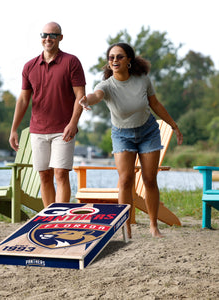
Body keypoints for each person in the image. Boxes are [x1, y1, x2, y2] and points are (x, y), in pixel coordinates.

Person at [79, 43, 183, 238]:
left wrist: (173, 125)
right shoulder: (106, 85)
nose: (115, 60)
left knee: (149, 179)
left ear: (128, 60)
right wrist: (86, 100)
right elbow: (96, 96)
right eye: (111, 58)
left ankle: (153, 226)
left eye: (119, 57)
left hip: (148, 132)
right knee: (125, 179)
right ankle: (125, 227)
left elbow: (155, 104)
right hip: (122, 135)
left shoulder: (142, 80)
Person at [9, 22, 86, 208]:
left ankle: (60, 218)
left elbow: (80, 96)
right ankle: (49, 219)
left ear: (60, 37)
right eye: (44, 34)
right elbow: (23, 100)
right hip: (38, 130)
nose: (48, 38)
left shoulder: (71, 62)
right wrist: (13, 130)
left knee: (60, 173)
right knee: (44, 175)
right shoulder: (30, 66)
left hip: (63, 129)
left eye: (53, 35)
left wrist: (73, 123)